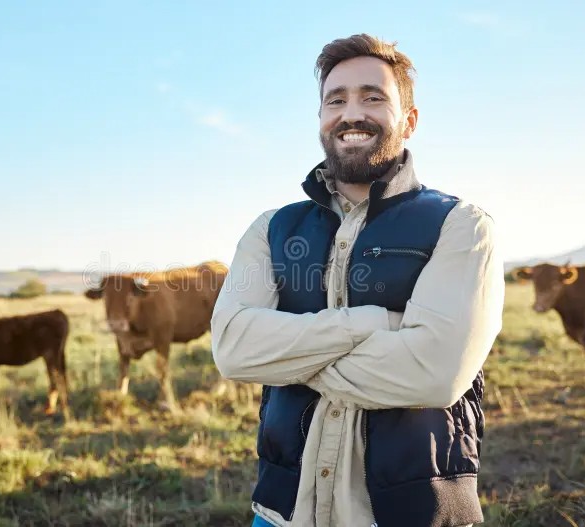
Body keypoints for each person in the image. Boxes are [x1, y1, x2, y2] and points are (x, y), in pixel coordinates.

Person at [211, 33, 505, 527]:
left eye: (373, 97)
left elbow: (436, 373)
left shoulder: (461, 224)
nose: (352, 113)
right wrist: (374, 325)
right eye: (336, 100)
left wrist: (289, 357)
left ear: (409, 121)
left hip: (412, 513)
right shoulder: (271, 228)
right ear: (321, 119)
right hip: (281, 513)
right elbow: (234, 349)